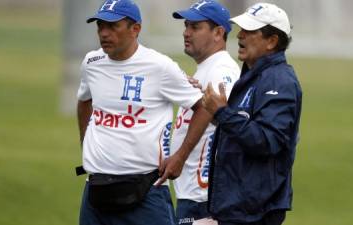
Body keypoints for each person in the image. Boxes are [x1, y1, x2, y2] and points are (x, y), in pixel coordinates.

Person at [76, 0, 211, 225]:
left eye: (112, 26)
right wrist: (86, 143)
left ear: (135, 29)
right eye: (100, 26)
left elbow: (203, 107)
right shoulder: (92, 62)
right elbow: (84, 101)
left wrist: (179, 157)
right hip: (96, 190)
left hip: (146, 191)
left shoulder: (160, 66)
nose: (104, 33)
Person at [202, 3, 302, 225]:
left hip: (255, 212)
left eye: (249, 31)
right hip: (239, 207)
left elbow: (268, 140)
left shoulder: (278, 80)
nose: (240, 36)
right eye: (241, 29)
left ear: (272, 41)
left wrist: (223, 113)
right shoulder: (254, 77)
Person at [168, 1, 240, 224]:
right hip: (192, 192)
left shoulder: (222, 70)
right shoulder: (208, 69)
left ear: (219, 33)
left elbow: (217, 113)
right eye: (186, 26)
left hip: (202, 195)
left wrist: (179, 156)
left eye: (195, 27)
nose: (186, 33)